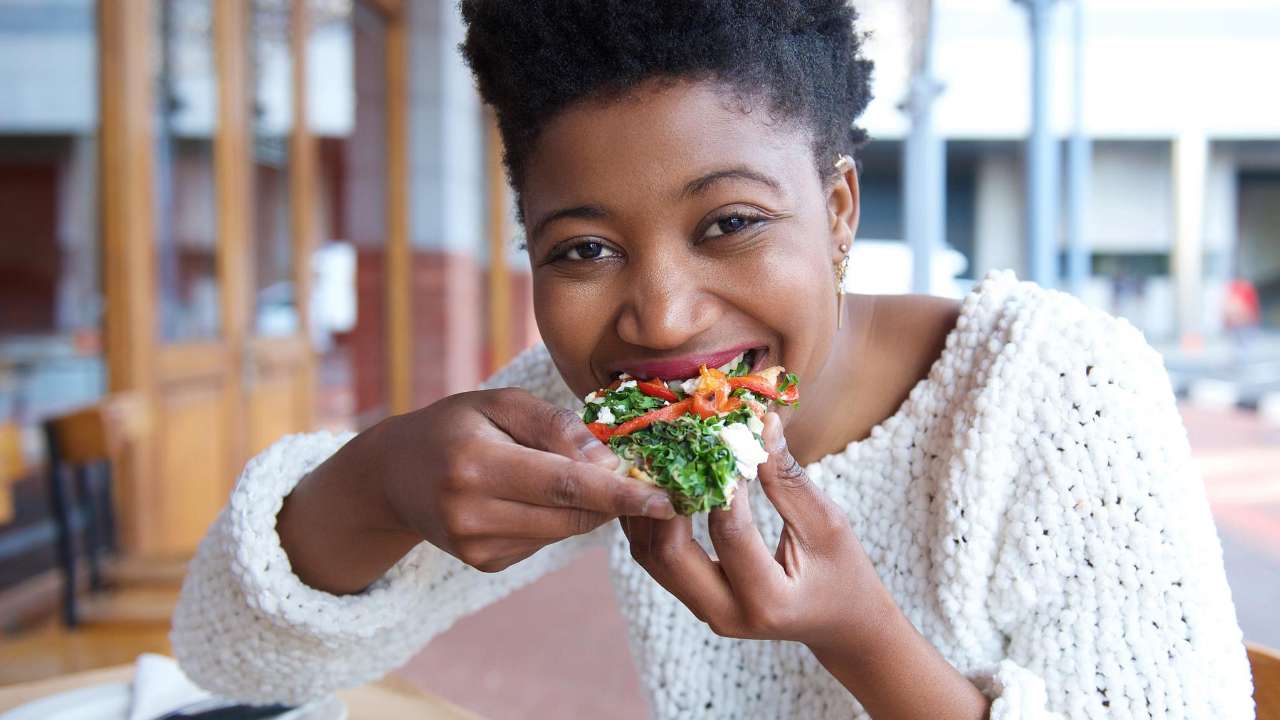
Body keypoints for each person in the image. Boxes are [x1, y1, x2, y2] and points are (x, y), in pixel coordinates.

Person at [170, 1, 1256, 717]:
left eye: (729, 223)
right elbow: (231, 657)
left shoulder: (1057, 390)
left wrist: (860, 635)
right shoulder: (591, 420)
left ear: (838, 209)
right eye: (582, 249)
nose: (661, 318)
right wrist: (375, 484)